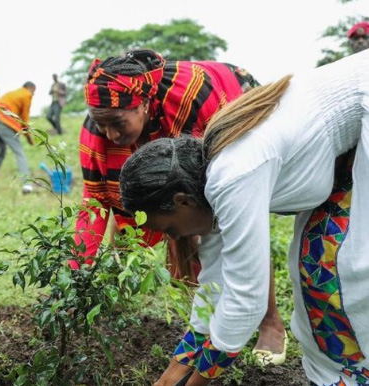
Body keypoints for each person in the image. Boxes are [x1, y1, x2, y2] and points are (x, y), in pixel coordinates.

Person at [118, 49, 369, 386]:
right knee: (312, 266)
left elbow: (247, 299)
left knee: (349, 270)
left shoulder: (231, 175)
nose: (176, 239)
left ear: (181, 200)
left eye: (170, 229)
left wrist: (194, 382)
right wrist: (169, 377)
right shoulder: (203, 183)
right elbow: (215, 285)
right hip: (348, 143)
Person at [75, 49, 286, 364]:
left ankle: (270, 321)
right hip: (173, 128)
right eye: (102, 125)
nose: (111, 135)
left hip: (228, 106)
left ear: (144, 105)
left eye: (118, 124)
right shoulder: (102, 127)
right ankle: (203, 311)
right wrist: (77, 270)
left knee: (237, 221)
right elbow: (95, 203)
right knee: (176, 221)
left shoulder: (195, 98)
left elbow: (231, 196)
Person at [0, 81, 36, 194]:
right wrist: (29, 138)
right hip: (5, 122)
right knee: (19, 152)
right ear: (30, 88)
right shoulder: (26, 94)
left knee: (1, 152)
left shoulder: (13, 93)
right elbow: (24, 118)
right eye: (34, 91)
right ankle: (27, 185)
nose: (33, 94)